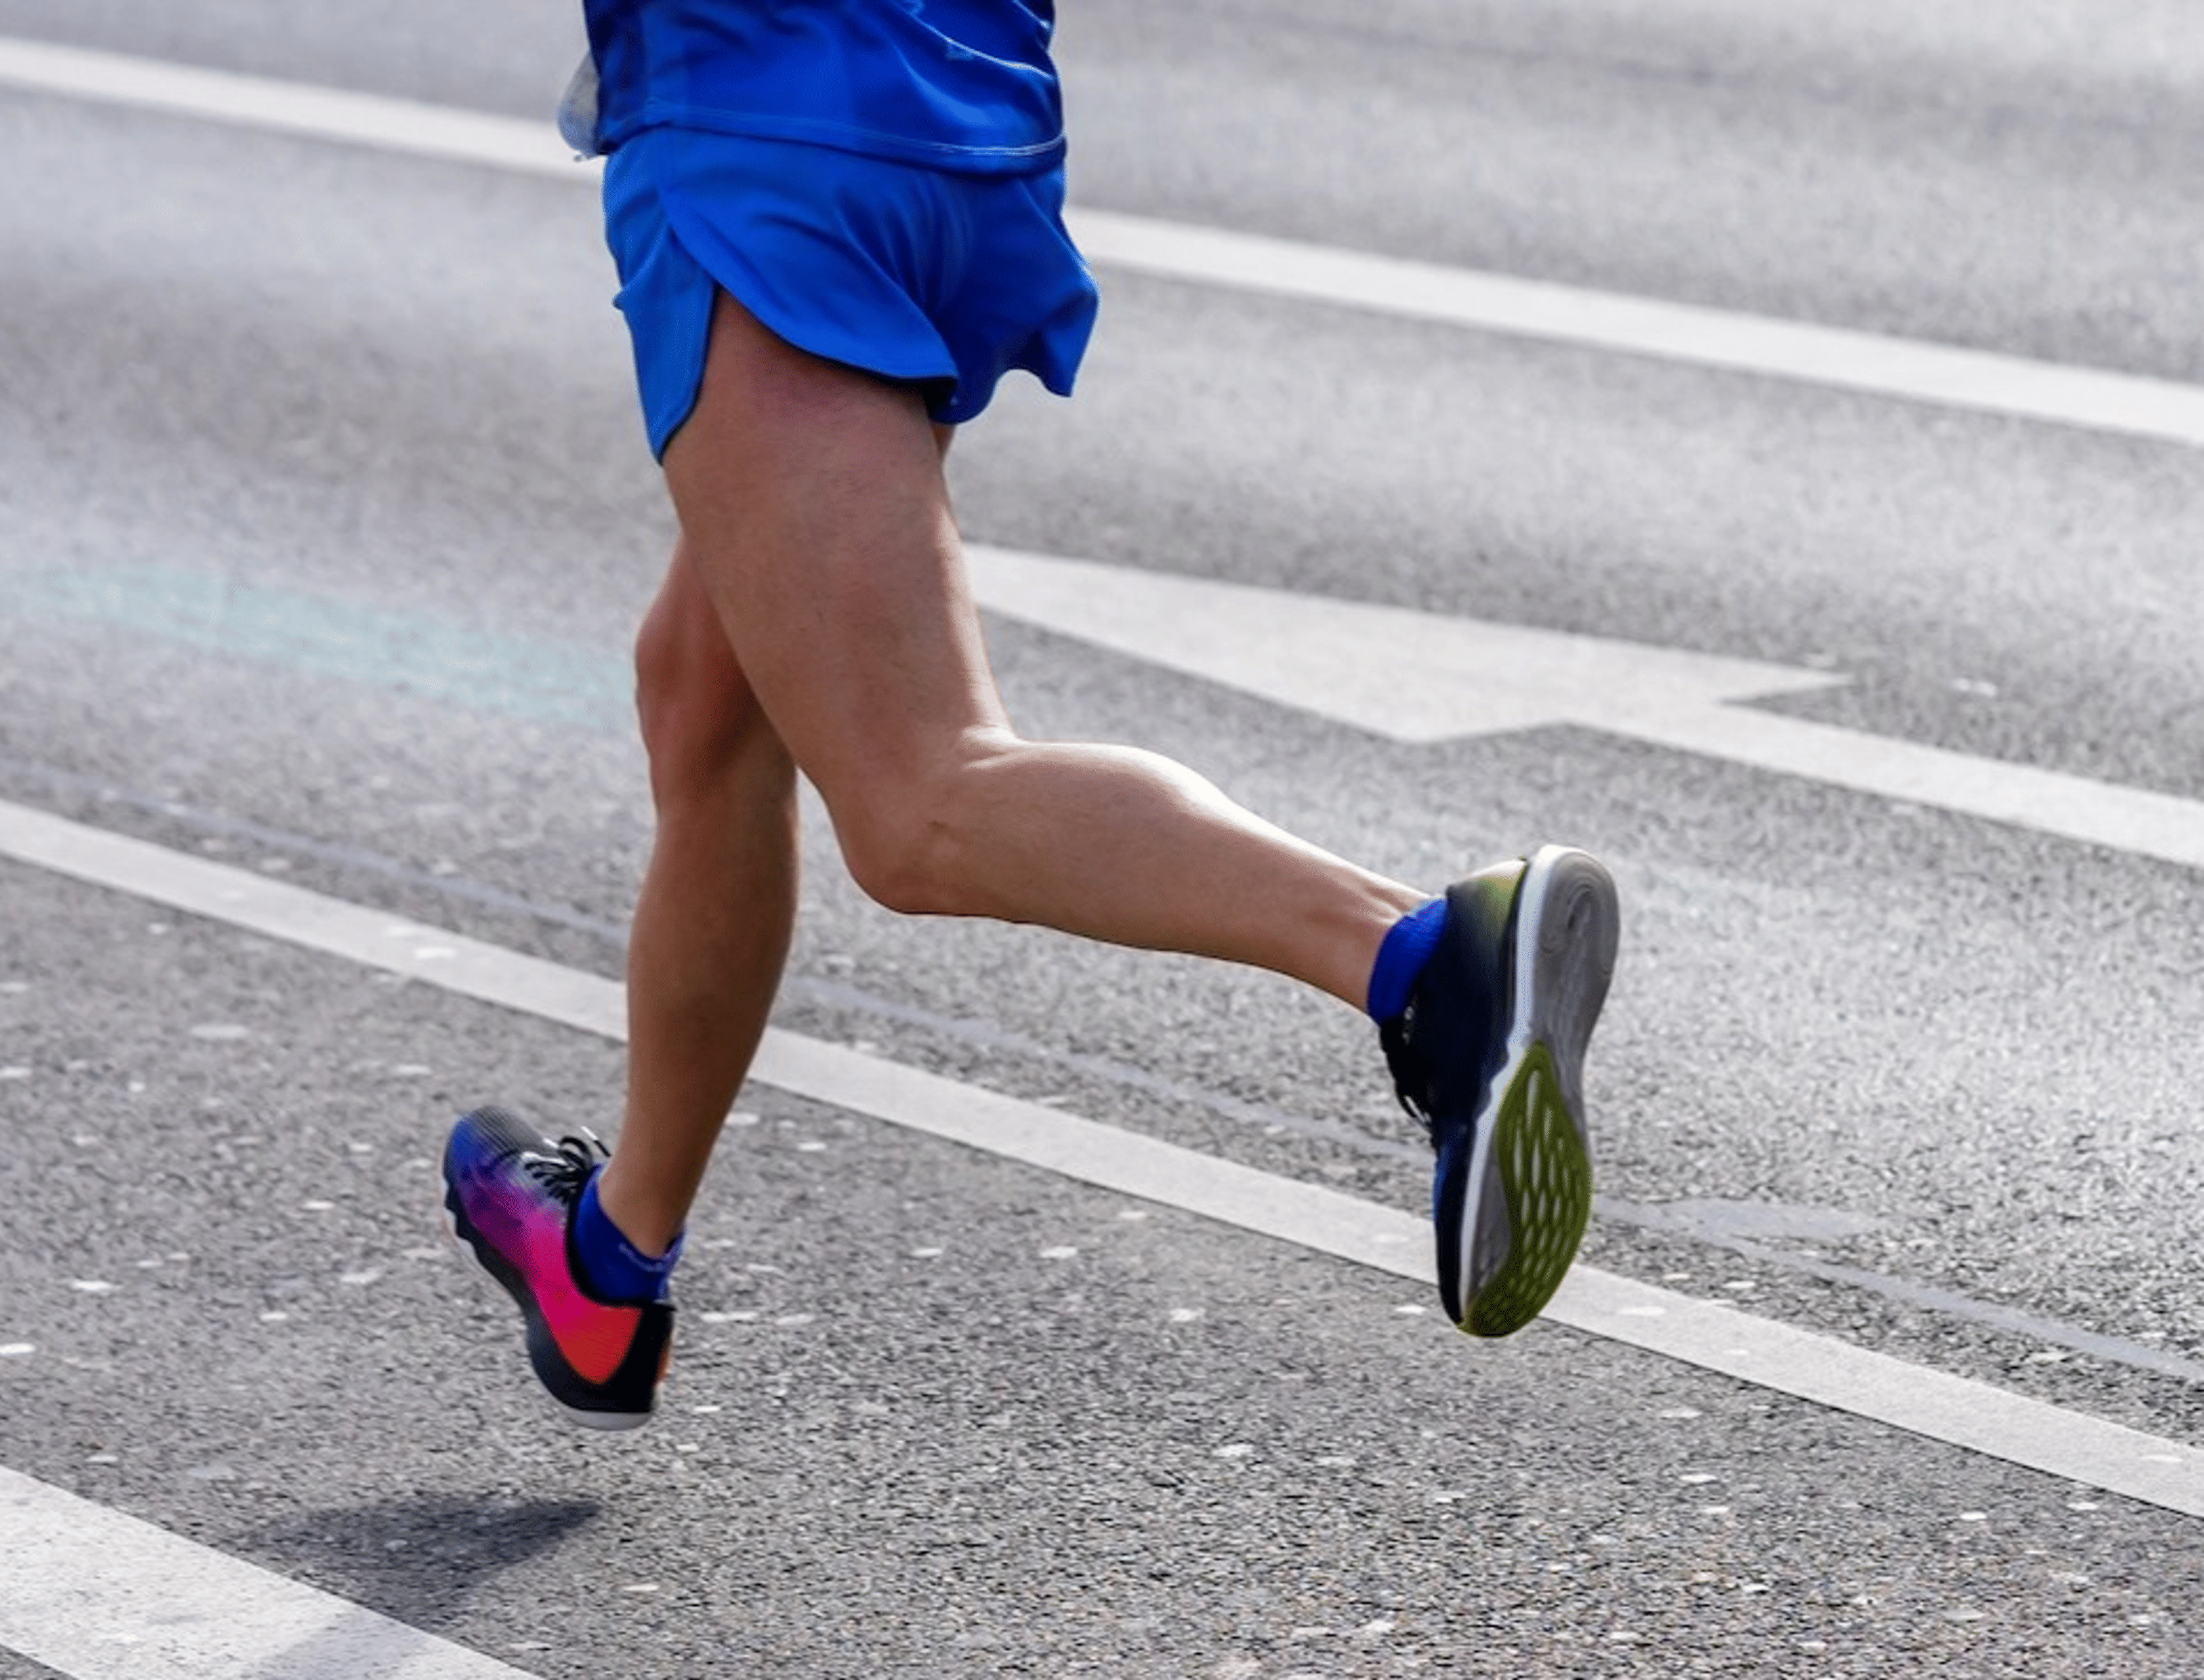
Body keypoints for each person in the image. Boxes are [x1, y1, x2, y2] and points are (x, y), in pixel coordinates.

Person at [443, 0, 1620, 1429]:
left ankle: (1423, 962)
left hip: (760, 139)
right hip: (966, 114)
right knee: (707, 699)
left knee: (921, 798)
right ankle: (609, 1270)